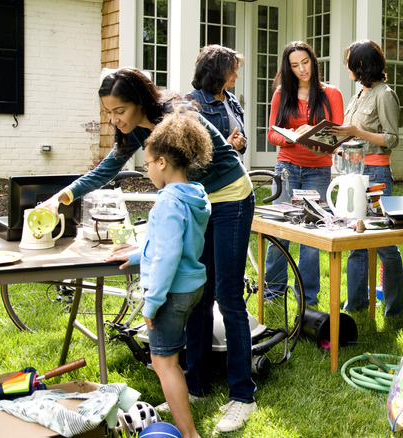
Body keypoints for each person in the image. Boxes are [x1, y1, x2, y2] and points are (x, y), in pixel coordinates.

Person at [41, 68, 257, 433]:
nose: (114, 119)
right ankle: (196, 386)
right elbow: (105, 170)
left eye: (120, 110)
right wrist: (61, 197)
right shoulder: (135, 132)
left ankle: (242, 396)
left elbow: (198, 169)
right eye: (109, 112)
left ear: (138, 102)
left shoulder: (177, 119)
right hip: (197, 201)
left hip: (230, 198)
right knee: (199, 297)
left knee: (228, 296)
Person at [105, 108, 212, 438]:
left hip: (171, 292)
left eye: (147, 163)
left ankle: (188, 433)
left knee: (165, 363)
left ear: (163, 161)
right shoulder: (194, 195)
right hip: (191, 285)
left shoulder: (168, 201)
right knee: (171, 357)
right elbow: (173, 244)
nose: (146, 170)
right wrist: (139, 254)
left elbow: (166, 257)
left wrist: (151, 304)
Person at [328, 40, 403, 318]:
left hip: (376, 174)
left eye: (349, 60)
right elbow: (352, 132)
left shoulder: (385, 95)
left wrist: (356, 132)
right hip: (353, 172)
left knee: (384, 243)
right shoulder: (358, 94)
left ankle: (395, 309)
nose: (345, 65)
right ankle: (356, 304)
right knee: (355, 241)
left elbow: (391, 139)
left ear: (361, 65)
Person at [265, 41, 344, 306]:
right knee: (281, 229)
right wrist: (292, 137)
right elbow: (272, 133)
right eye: (295, 65)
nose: (302, 69)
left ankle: (307, 297)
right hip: (287, 167)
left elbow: (338, 132)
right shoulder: (281, 94)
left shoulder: (331, 93)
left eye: (305, 63)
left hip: (318, 170)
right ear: (288, 68)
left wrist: (315, 133)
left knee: (311, 232)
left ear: (313, 61)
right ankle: (273, 291)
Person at [187, 44, 247, 162]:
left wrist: (240, 143)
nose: (236, 75)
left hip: (233, 171)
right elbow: (189, 148)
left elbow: (243, 141)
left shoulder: (232, 100)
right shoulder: (193, 101)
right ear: (217, 72)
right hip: (210, 176)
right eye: (232, 71)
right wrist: (226, 145)